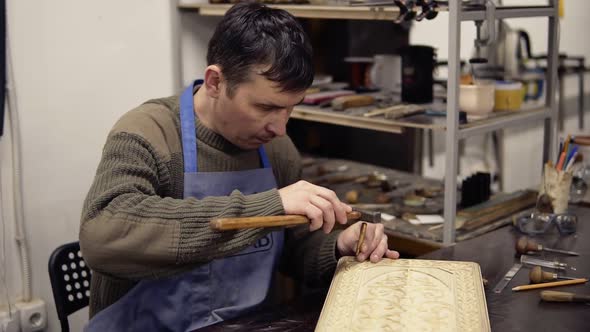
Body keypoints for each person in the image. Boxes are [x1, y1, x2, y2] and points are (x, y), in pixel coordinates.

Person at [79, 2, 399, 331]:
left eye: (290, 109)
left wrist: (338, 245)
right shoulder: (148, 132)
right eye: (265, 107)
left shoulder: (276, 149)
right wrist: (268, 206)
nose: (279, 128)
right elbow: (103, 234)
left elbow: (294, 244)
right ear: (215, 82)